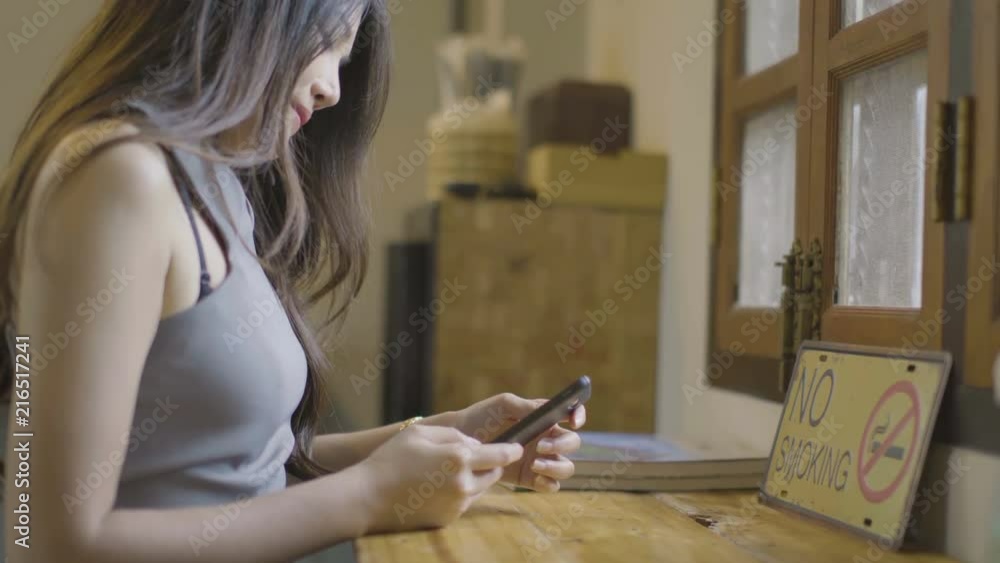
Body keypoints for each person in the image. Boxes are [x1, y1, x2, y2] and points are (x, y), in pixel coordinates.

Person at [0, 1, 585, 561]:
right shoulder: (118, 177)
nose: (332, 87)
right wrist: (372, 495)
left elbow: (250, 472)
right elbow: (44, 542)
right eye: (327, 45)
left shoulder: (221, 186)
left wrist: (452, 440)